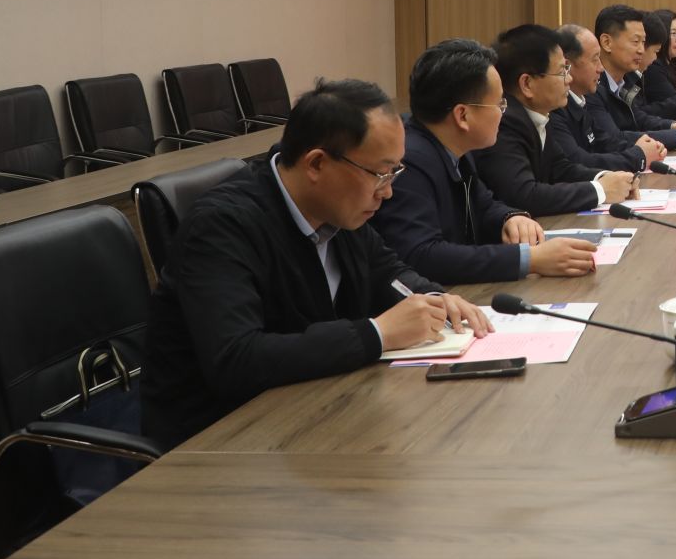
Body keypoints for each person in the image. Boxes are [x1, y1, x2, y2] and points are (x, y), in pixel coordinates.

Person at [143, 78, 491, 448]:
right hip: (220, 444)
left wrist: (432, 298)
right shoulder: (221, 227)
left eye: (395, 172)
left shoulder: (339, 210)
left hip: (313, 413)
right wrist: (376, 333)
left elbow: (387, 272)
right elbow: (237, 359)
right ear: (316, 163)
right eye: (380, 174)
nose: (388, 191)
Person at [371, 38, 597, 282]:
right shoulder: (410, 162)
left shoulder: (455, 147)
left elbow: (484, 205)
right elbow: (423, 255)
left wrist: (510, 218)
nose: (503, 113)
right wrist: (529, 259)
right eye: (499, 104)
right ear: (462, 115)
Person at [477, 23, 637, 217]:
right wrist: (600, 190)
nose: (569, 79)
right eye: (562, 72)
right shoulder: (505, 122)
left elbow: (561, 168)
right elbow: (524, 195)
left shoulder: (538, 114)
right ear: (527, 84)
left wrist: (607, 178)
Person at [550, 23, 666, 174]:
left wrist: (643, 146)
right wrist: (638, 155)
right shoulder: (553, 108)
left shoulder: (581, 99)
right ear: (567, 66)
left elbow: (604, 141)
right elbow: (578, 161)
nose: (600, 68)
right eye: (595, 59)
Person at [590, 4, 676, 149]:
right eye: (636, 42)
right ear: (607, 42)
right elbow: (614, 138)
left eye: (643, 42)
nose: (641, 50)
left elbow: (638, 119)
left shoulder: (624, 81)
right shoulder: (591, 86)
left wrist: (675, 126)